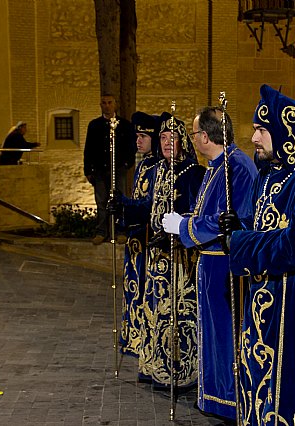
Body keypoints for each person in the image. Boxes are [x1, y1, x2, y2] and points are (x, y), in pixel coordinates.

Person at [218, 85, 295, 425]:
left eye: (261, 130)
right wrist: (237, 227)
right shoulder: (269, 172)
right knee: (259, 381)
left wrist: (239, 241)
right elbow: (260, 226)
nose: (254, 138)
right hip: (263, 296)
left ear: (283, 132)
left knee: (292, 386)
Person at [161, 106, 257, 420]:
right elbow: (207, 211)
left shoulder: (237, 166)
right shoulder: (216, 166)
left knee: (227, 334)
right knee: (212, 334)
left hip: (225, 265)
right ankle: (214, 397)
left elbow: (232, 219)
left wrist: (185, 226)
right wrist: (185, 219)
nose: (192, 139)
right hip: (210, 265)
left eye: (193, 133)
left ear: (205, 136)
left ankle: (230, 400)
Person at [110, 112, 205, 388]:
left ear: (182, 141)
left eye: (171, 137)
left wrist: (177, 229)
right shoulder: (159, 170)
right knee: (155, 312)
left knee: (178, 315)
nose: (165, 142)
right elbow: (147, 208)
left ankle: (180, 371)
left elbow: (196, 215)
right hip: (156, 259)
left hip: (180, 259)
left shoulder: (194, 173)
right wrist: (124, 205)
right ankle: (156, 366)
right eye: (162, 137)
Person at [118, 111, 160, 357]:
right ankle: (132, 335)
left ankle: (144, 338)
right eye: (137, 136)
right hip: (135, 240)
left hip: (147, 239)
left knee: (144, 288)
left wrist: (125, 205)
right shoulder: (143, 164)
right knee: (132, 287)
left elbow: (149, 205)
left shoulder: (158, 167)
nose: (138, 140)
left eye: (143, 136)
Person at [84, 94, 136, 245]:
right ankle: (101, 232)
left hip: (118, 169)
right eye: (104, 103)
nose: (107, 106)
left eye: (109, 102)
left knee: (119, 200)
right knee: (101, 201)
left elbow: (131, 147)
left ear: (115, 104)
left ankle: (120, 231)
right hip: (100, 170)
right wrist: (88, 170)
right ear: (100, 105)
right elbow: (89, 148)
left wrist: (126, 164)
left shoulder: (125, 125)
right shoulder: (94, 125)